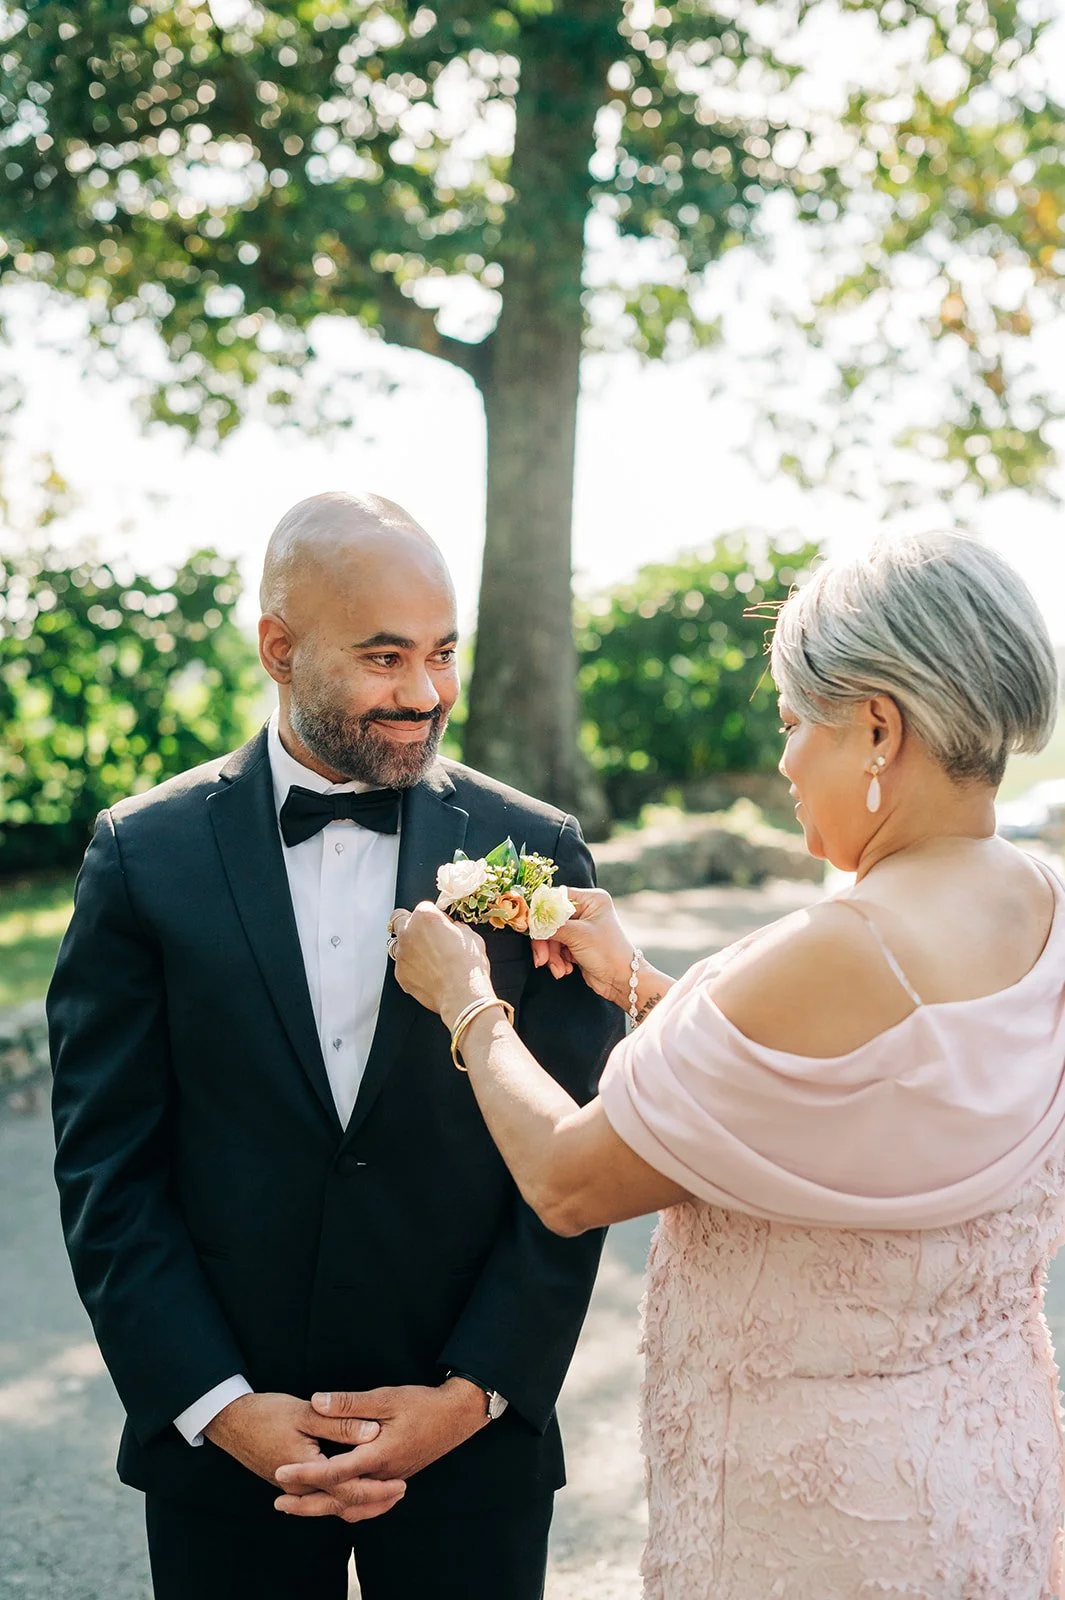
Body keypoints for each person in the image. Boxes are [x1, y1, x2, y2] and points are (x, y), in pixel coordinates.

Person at [299, 532, 1065, 1597]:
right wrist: (640, 983)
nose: (787, 760)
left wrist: (466, 997)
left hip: (831, 1521)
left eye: (797, 723)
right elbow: (858, 1085)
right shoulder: (1043, 899)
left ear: (879, 726)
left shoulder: (844, 945)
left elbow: (570, 1178)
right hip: (991, 1476)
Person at [48, 491, 623, 1600]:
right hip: (231, 1452)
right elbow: (106, 1170)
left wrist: (473, 1395)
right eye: (385, 657)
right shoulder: (140, 856)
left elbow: (575, 1165)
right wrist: (219, 1406)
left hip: (471, 1447)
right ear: (279, 647)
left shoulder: (537, 850)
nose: (425, 693)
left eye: (443, 653)